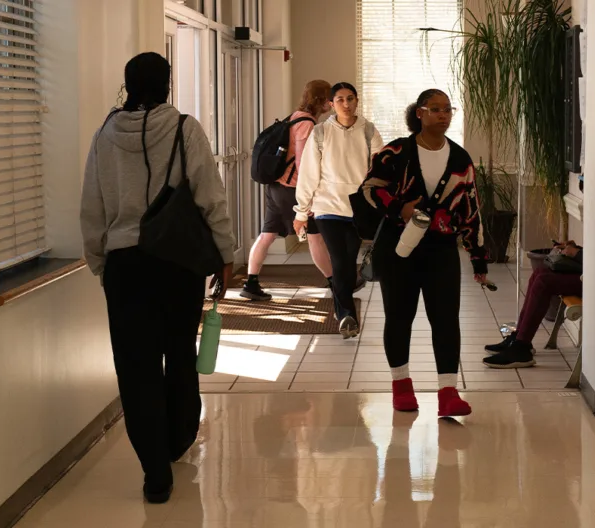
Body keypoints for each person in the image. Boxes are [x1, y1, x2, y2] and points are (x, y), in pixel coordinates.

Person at [80, 52, 236, 504]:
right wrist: (225, 254)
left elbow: (93, 204)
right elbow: (211, 195)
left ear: (128, 85)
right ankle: (178, 439)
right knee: (179, 354)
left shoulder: (105, 135)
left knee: (136, 367)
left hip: (126, 265)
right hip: (178, 262)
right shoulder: (186, 128)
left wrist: (100, 262)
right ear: (167, 84)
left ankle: (154, 471)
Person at [359, 89, 488, 417]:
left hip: (441, 250)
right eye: (436, 109)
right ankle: (401, 386)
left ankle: (448, 391)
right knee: (400, 317)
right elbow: (370, 189)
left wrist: (478, 257)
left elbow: (471, 210)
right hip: (398, 249)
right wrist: (399, 209)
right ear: (420, 113)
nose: (443, 115)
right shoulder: (396, 152)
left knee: (445, 319)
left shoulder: (460, 159)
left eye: (448, 110)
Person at [294, 82, 384, 338]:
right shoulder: (321, 132)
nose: (346, 104)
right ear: (331, 104)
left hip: (357, 208)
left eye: (350, 98)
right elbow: (309, 173)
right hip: (327, 206)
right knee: (340, 259)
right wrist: (301, 212)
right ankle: (346, 314)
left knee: (348, 259)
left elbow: (379, 168)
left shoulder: (368, 131)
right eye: (340, 99)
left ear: (357, 101)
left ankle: (343, 310)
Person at [241, 80, 334, 301]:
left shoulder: (294, 117)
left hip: (276, 187)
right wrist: (308, 196)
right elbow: (304, 164)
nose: (331, 103)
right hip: (291, 190)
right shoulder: (306, 124)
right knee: (315, 236)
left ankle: (251, 283)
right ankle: (335, 282)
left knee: (267, 234)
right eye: (329, 98)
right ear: (321, 100)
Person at [483, 241, 583, 368]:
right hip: (588, 274)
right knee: (539, 272)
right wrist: (574, 249)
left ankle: (522, 347)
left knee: (543, 282)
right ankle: (519, 336)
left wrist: (576, 253)